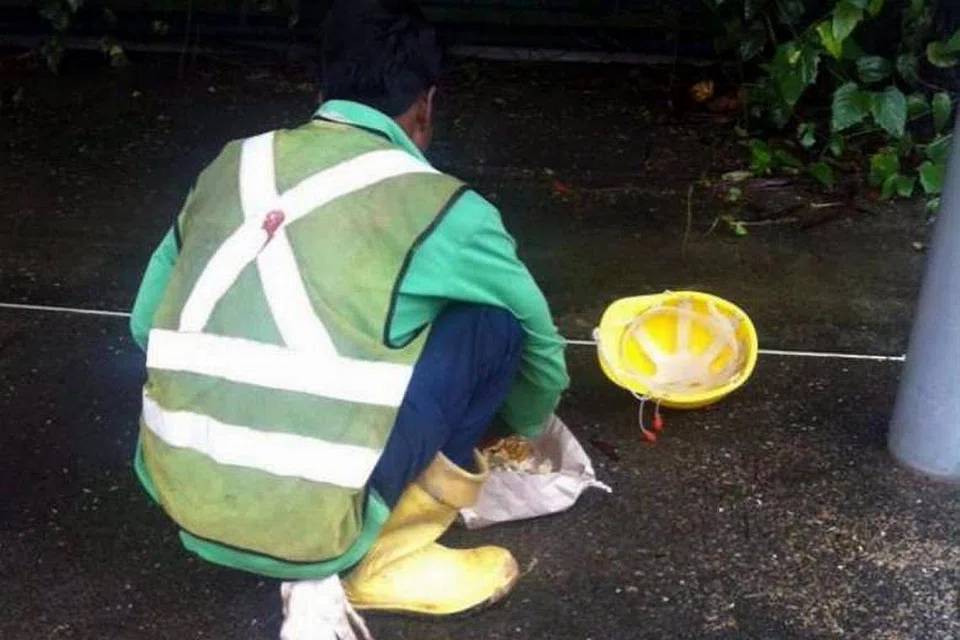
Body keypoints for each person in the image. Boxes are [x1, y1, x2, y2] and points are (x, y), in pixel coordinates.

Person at [128, 0, 569, 623]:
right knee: (493, 328)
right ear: (426, 105)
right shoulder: (445, 206)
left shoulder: (233, 163)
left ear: (322, 87)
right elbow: (537, 341)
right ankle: (382, 557)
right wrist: (522, 424)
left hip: (181, 490)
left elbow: (146, 324)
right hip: (312, 525)